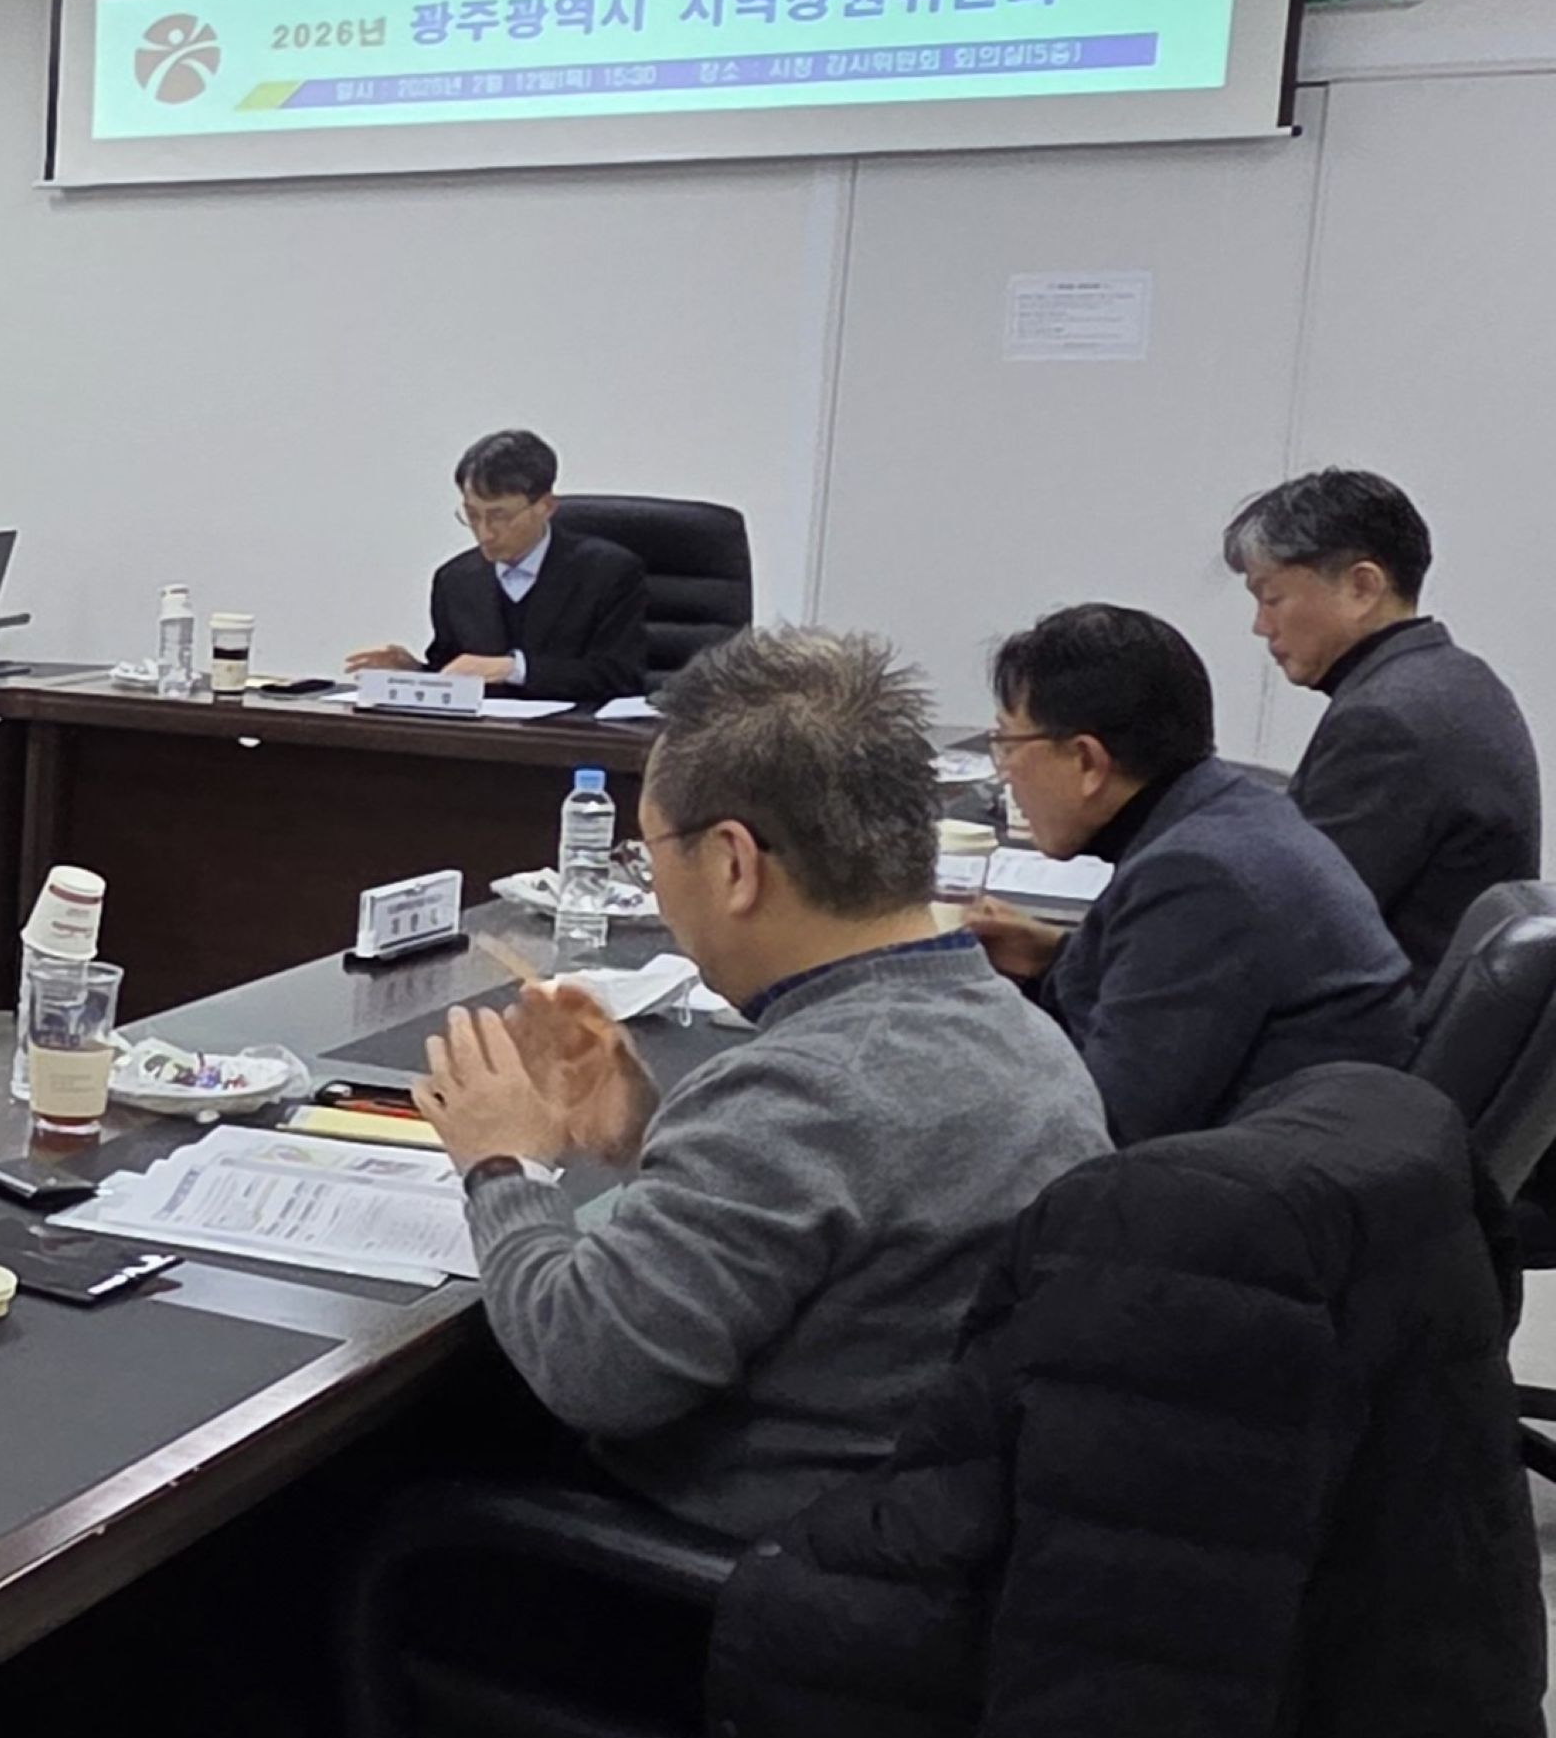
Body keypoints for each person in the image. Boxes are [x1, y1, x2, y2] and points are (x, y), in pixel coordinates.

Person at [411, 626, 1112, 1541]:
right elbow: (808, 1217)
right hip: (921, 1535)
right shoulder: (1020, 1028)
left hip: (751, 1566)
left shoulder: (805, 1092)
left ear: (734, 863)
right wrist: (649, 1132)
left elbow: (589, 1367)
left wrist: (504, 1163)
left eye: (650, 851)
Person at [966, 601, 1413, 1143]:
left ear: (1087, 762)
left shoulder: (1198, 876)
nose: (1005, 774)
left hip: (1259, 1178)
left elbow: (1102, 1129)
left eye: (1007, 744)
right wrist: (1050, 959)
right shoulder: (1231, 811)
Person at [1222, 468, 1538, 980]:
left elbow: (1293, 924)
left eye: (1271, 598)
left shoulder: (1384, 723)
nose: (1261, 625)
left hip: (1372, 1020)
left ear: (1362, 587)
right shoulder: (1459, 678)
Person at [347, 428, 652, 704]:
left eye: (499, 516)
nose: (485, 532)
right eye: (472, 515)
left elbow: (621, 676)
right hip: (483, 737)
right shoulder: (454, 580)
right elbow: (453, 672)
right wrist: (414, 671)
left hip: (572, 736)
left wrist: (514, 669)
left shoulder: (608, 572)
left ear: (546, 507)